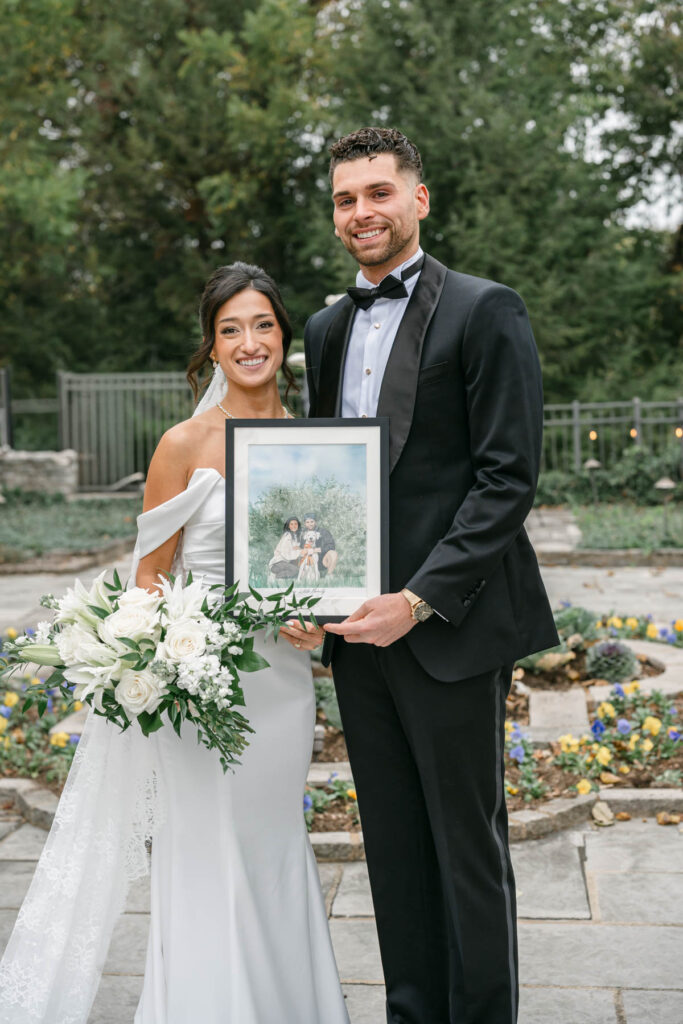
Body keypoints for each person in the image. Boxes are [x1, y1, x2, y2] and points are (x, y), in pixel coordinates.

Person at [0, 263, 349, 1024]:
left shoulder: (316, 444)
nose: (248, 341)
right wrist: (181, 652)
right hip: (203, 689)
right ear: (211, 348)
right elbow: (147, 581)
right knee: (206, 854)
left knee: (271, 846)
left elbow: (323, 564)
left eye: (261, 324)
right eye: (231, 329)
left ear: (283, 337)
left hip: (282, 685)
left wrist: (315, 618)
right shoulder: (183, 443)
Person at [300, 127, 560, 1024]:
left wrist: (415, 602)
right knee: (394, 848)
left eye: (377, 192)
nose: (360, 212)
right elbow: (323, 483)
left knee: (465, 847)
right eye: (344, 198)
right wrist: (308, 599)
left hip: (448, 624)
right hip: (355, 636)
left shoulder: (487, 310)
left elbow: (506, 479)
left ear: (418, 198)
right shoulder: (326, 328)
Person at [268, 515, 302, 579]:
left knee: (297, 571)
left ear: (298, 525)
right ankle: (275, 576)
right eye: (291, 524)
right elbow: (286, 554)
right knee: (296, 570)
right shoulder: (287, 536)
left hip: (285, 563)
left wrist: (298, 549)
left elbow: (295, 549)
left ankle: (278, 576)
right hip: (277, 563)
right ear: (288, 526)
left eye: (295, 524)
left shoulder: (296, 536)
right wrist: (300, 551)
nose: (294, 526)